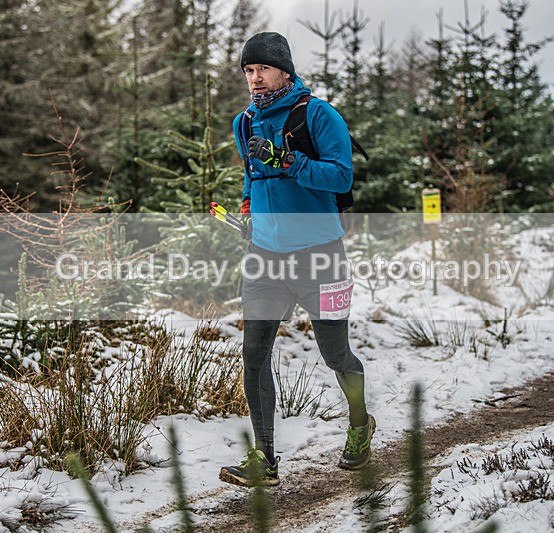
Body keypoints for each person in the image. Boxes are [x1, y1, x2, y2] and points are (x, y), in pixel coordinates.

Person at [218, 32, 375, 487]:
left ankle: (360, 425)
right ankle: (264, 460)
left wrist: (288, 160)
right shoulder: (244, 123)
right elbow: (252, 178)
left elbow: (341, 175)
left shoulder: (318, 115)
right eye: (248, 71)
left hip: (321, 257)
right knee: (254, 354)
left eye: (263, 69)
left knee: (335, 353)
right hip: (265, 259)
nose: (255, 79)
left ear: (285, 70)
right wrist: (248, 211)